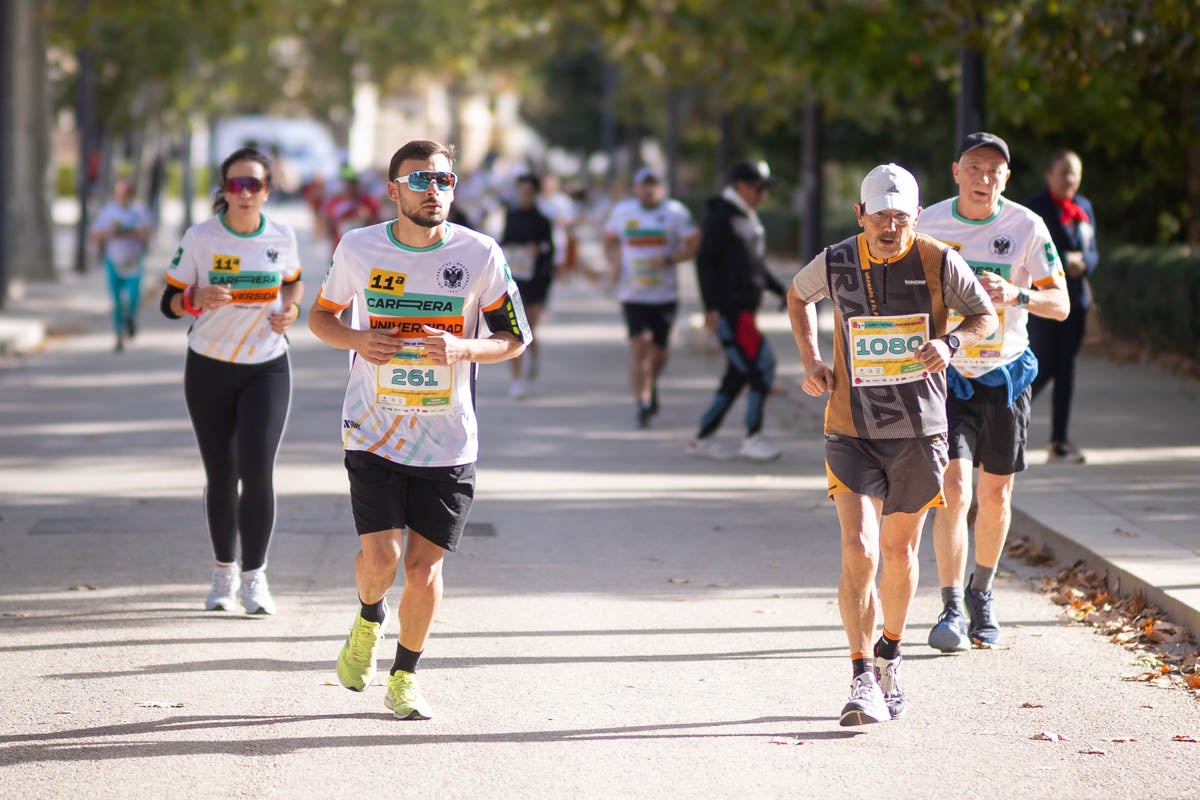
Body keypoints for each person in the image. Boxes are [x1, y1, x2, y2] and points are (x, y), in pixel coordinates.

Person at [308, 139, 532, 720]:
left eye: (443, 181)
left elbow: (515, 338)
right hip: (373, 428)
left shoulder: (481, 254)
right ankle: (367, 617)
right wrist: (359, 339)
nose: (433, 192)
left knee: (423, 568)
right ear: (393, 189)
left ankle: (404, 676)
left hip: (448, 436)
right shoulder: (358, 247)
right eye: (419, 181)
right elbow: (321, 316)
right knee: (381, 559)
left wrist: (462, 346)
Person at [787, 163, 997, 725]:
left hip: (919, 431)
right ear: (860, 215)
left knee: (900, 555)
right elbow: (798, 294)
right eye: (880, 216)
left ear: (916, 217)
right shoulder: (835, 260)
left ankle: (889, 655)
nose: (890, 226)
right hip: (850, 428)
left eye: (901, 217)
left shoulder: (937, 259)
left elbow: (985, 315)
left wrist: (950, 343)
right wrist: (811, 361)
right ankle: (860, 675)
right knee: (859, 550)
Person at [917, 133, 1070, 652]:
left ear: (1007, 178)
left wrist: (1018, 294)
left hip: (1005, 375)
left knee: (996, 494)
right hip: (949, 375)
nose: (984, 179)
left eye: (995, 171)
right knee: (954, 490)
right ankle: (951, 604)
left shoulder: (1026, 226)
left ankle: (982, 590)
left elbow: (1062, 303)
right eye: (975, 168)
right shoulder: (928, 224)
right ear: (956, 171)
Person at [160, 147, 304, 615]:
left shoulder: (281, 236)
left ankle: (255, 578)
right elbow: (168, 301)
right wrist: (195, 296)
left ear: (267, 190)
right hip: (209, 364)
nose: (245, 194)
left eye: (254, 185)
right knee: (221, 473)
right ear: (223, 190)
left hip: (267, 366)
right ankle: (224, 573)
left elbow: (293, 283)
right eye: (237, 185)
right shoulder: (202, 238)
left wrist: (291, 310)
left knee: (257, 469)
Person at [688, 159, 787, 461]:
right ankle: (752, 437)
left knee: (738, 374)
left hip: (745, 309)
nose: (763, 195)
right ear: (740, 186)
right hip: (732, 311)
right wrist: (711, 307)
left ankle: (702, 437)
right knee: (761, 367)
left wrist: (783, 291)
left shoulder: (746, 219)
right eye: (758, 188)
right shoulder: (722, 218)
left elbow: (754, 266)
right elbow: (704, 262)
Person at [603, 167, 700, 428]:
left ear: (662, 188)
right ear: (636, 189)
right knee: (639, 345)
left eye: (654, 185)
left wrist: (669, 258)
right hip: (632, 292)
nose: (649, 190)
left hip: (664, 294)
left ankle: (651, 382)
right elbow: (609, 239)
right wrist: (614, 262)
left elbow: (693, 244)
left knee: (658, 351)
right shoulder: (623, 212)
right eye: (644, 185)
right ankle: (642, 401)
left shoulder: (676, 213)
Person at [1025, 150, 1099, 464]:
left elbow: (1094, 251)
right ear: (1049, 175)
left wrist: (1085, 263)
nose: (1070, 179)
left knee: (1066, 370)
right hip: (1045, 301)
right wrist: (1060, 262)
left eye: (1075, 173)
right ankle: (1006, 410)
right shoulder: (1034, 209)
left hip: (1076, 302)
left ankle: (1060, 441)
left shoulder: (1084, 207)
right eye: (1064, 172)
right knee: (1042, 365)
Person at [501, 173, 555, 398]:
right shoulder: (511, 216)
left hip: (536, 280)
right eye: (521, 191)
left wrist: (538, 249)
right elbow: (503, 241)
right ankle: (517, 380)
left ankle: (533, 354)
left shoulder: (542, 220)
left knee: (530, 328)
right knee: (517, 330)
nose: (524, 196)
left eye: (528, 192)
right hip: (515, 279)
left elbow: (549, 249)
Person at [91, 177, 153, 352]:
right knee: (116, 301)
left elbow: (148, 234)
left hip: (133, 261)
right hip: (113, 261)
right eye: (119, 194)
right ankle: (118, 336)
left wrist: (135, 233)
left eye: (126, 194)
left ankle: (130, 319)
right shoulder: (108, 212)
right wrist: (108, 233)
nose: (123, 197)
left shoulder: (139, 211)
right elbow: (95, 236)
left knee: (133, 298)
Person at [324, 167, 382, 253]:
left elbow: (379, 224)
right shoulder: (335, 202)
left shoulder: (368, 201)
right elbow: (328, 224)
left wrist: (366, 219)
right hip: (340, 249)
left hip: (365, 249)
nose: (349, 187)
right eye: (346, 183)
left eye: (352, 183)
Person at [537, 173, 580, 281]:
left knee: (558, 264)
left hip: (557, 238)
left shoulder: (562, 201)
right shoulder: (537, 200)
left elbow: (572, 218)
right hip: (539, 240)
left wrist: (560, 221)